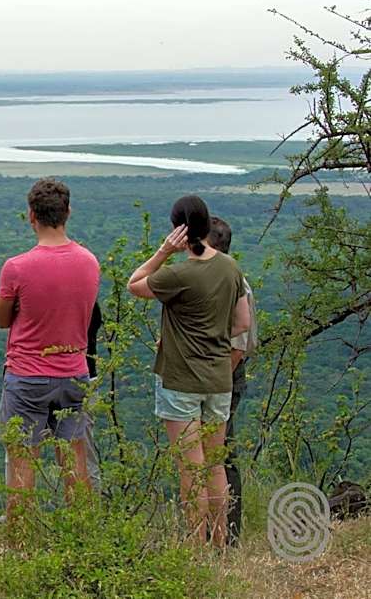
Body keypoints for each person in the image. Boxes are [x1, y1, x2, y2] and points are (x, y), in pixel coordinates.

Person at [127, 196, 249, 547]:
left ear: (178, 230)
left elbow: (135, 283)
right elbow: (243, 322)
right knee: (215, 465)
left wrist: (164, 251)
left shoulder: (178, 274)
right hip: (219, 379)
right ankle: (220, 544)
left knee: (190, 470)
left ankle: (195, 548)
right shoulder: (231, 268)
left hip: (181, 380)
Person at [0, 177, 100, 520]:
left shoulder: (17, 267)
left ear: (31, 215)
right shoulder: (89, 262)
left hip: (28, 375)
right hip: (75, 373)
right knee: (75, 463)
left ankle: (21, 540)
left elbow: (2, 319)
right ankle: (81, 535)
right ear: (68, 212)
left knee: (22, 465)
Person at [206, 216, 257, 546]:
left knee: (221, 454)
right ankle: (212, 531)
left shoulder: (236, 285)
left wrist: (215, 384)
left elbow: (237, 348)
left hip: (223, 373)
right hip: (215, 372)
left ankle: (228, 534)